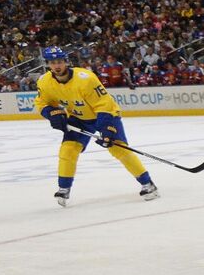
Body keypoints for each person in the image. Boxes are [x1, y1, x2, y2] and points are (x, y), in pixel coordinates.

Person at [34, 47, 158, 207]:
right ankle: (64, 188)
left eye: (59, 62)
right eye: (52, 63)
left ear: (66, 62)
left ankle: (148, 184)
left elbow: (103, 104)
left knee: (119, 149)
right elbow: (42, 102)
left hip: (105, 115)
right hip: (78, 118)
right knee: (68, 150)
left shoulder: (85, 79)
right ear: (48, 64)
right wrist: (51, 113)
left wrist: (107, 128)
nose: (56, 66)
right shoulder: (44, 82)